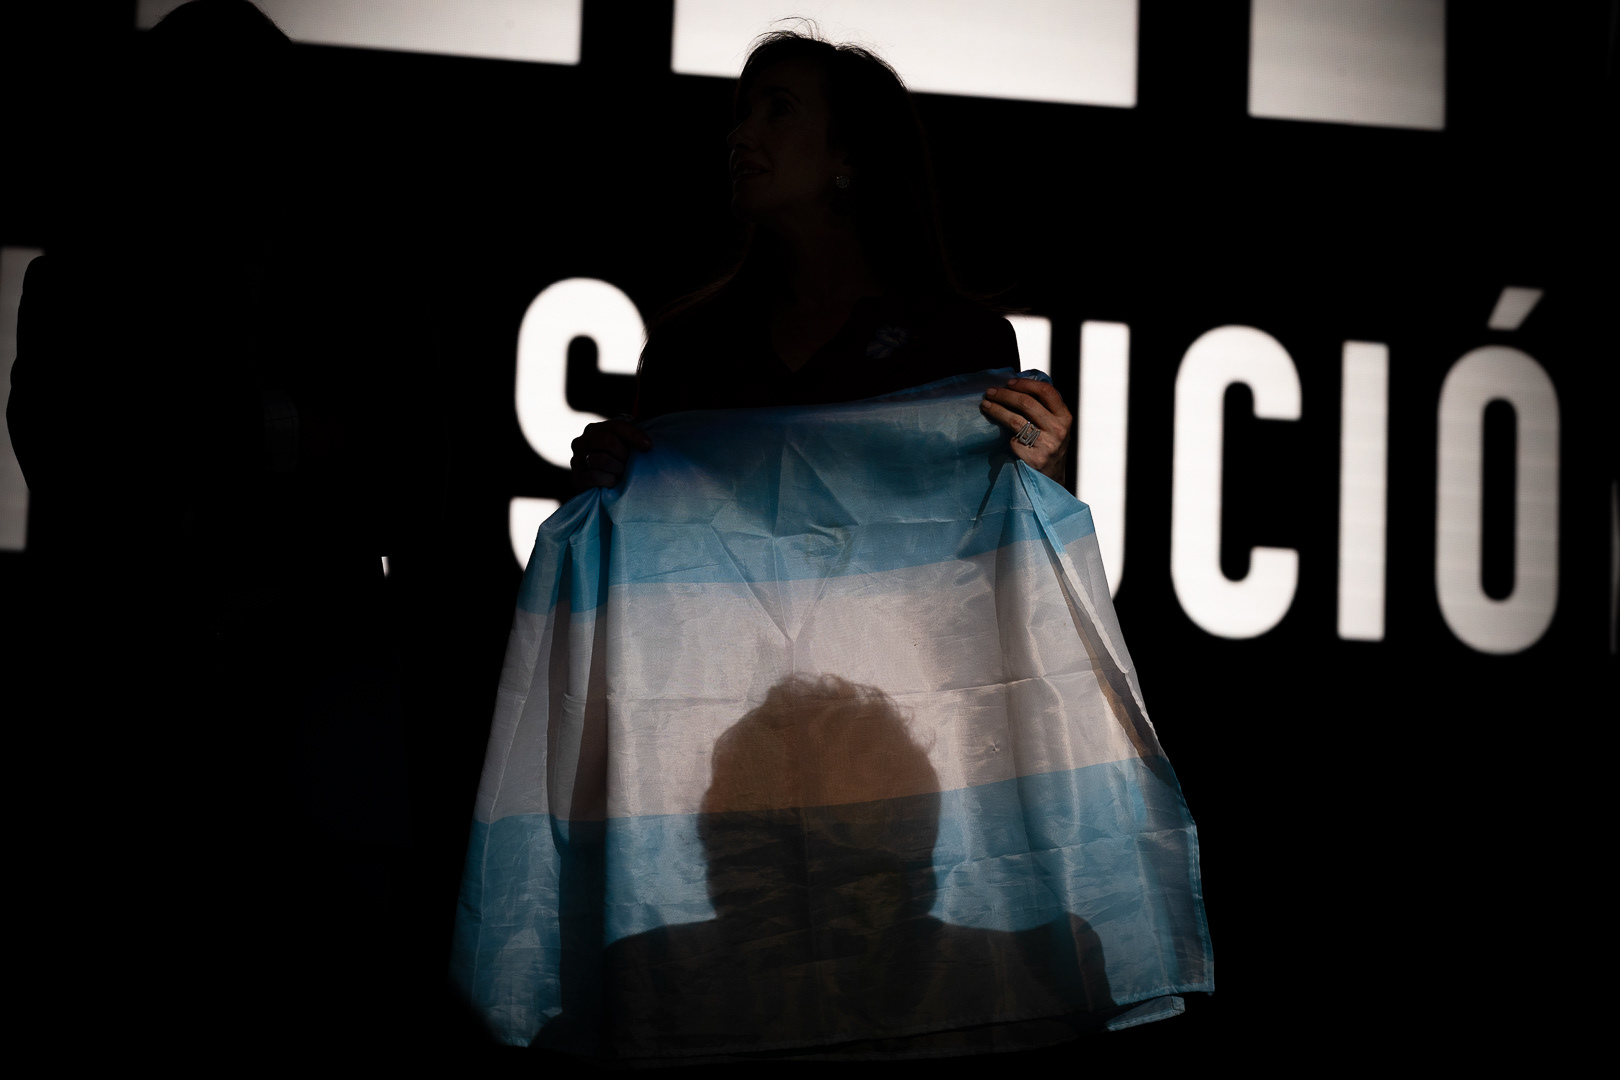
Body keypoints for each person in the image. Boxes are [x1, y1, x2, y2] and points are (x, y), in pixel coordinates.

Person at [567, 30, 1073, 492]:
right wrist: (608, 479)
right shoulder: (685, 347)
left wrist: (1044, 478)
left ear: (849, 154)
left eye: (778, 110)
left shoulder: (962, 343)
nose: (738, 136)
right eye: (743, 114)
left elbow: (991, 562)